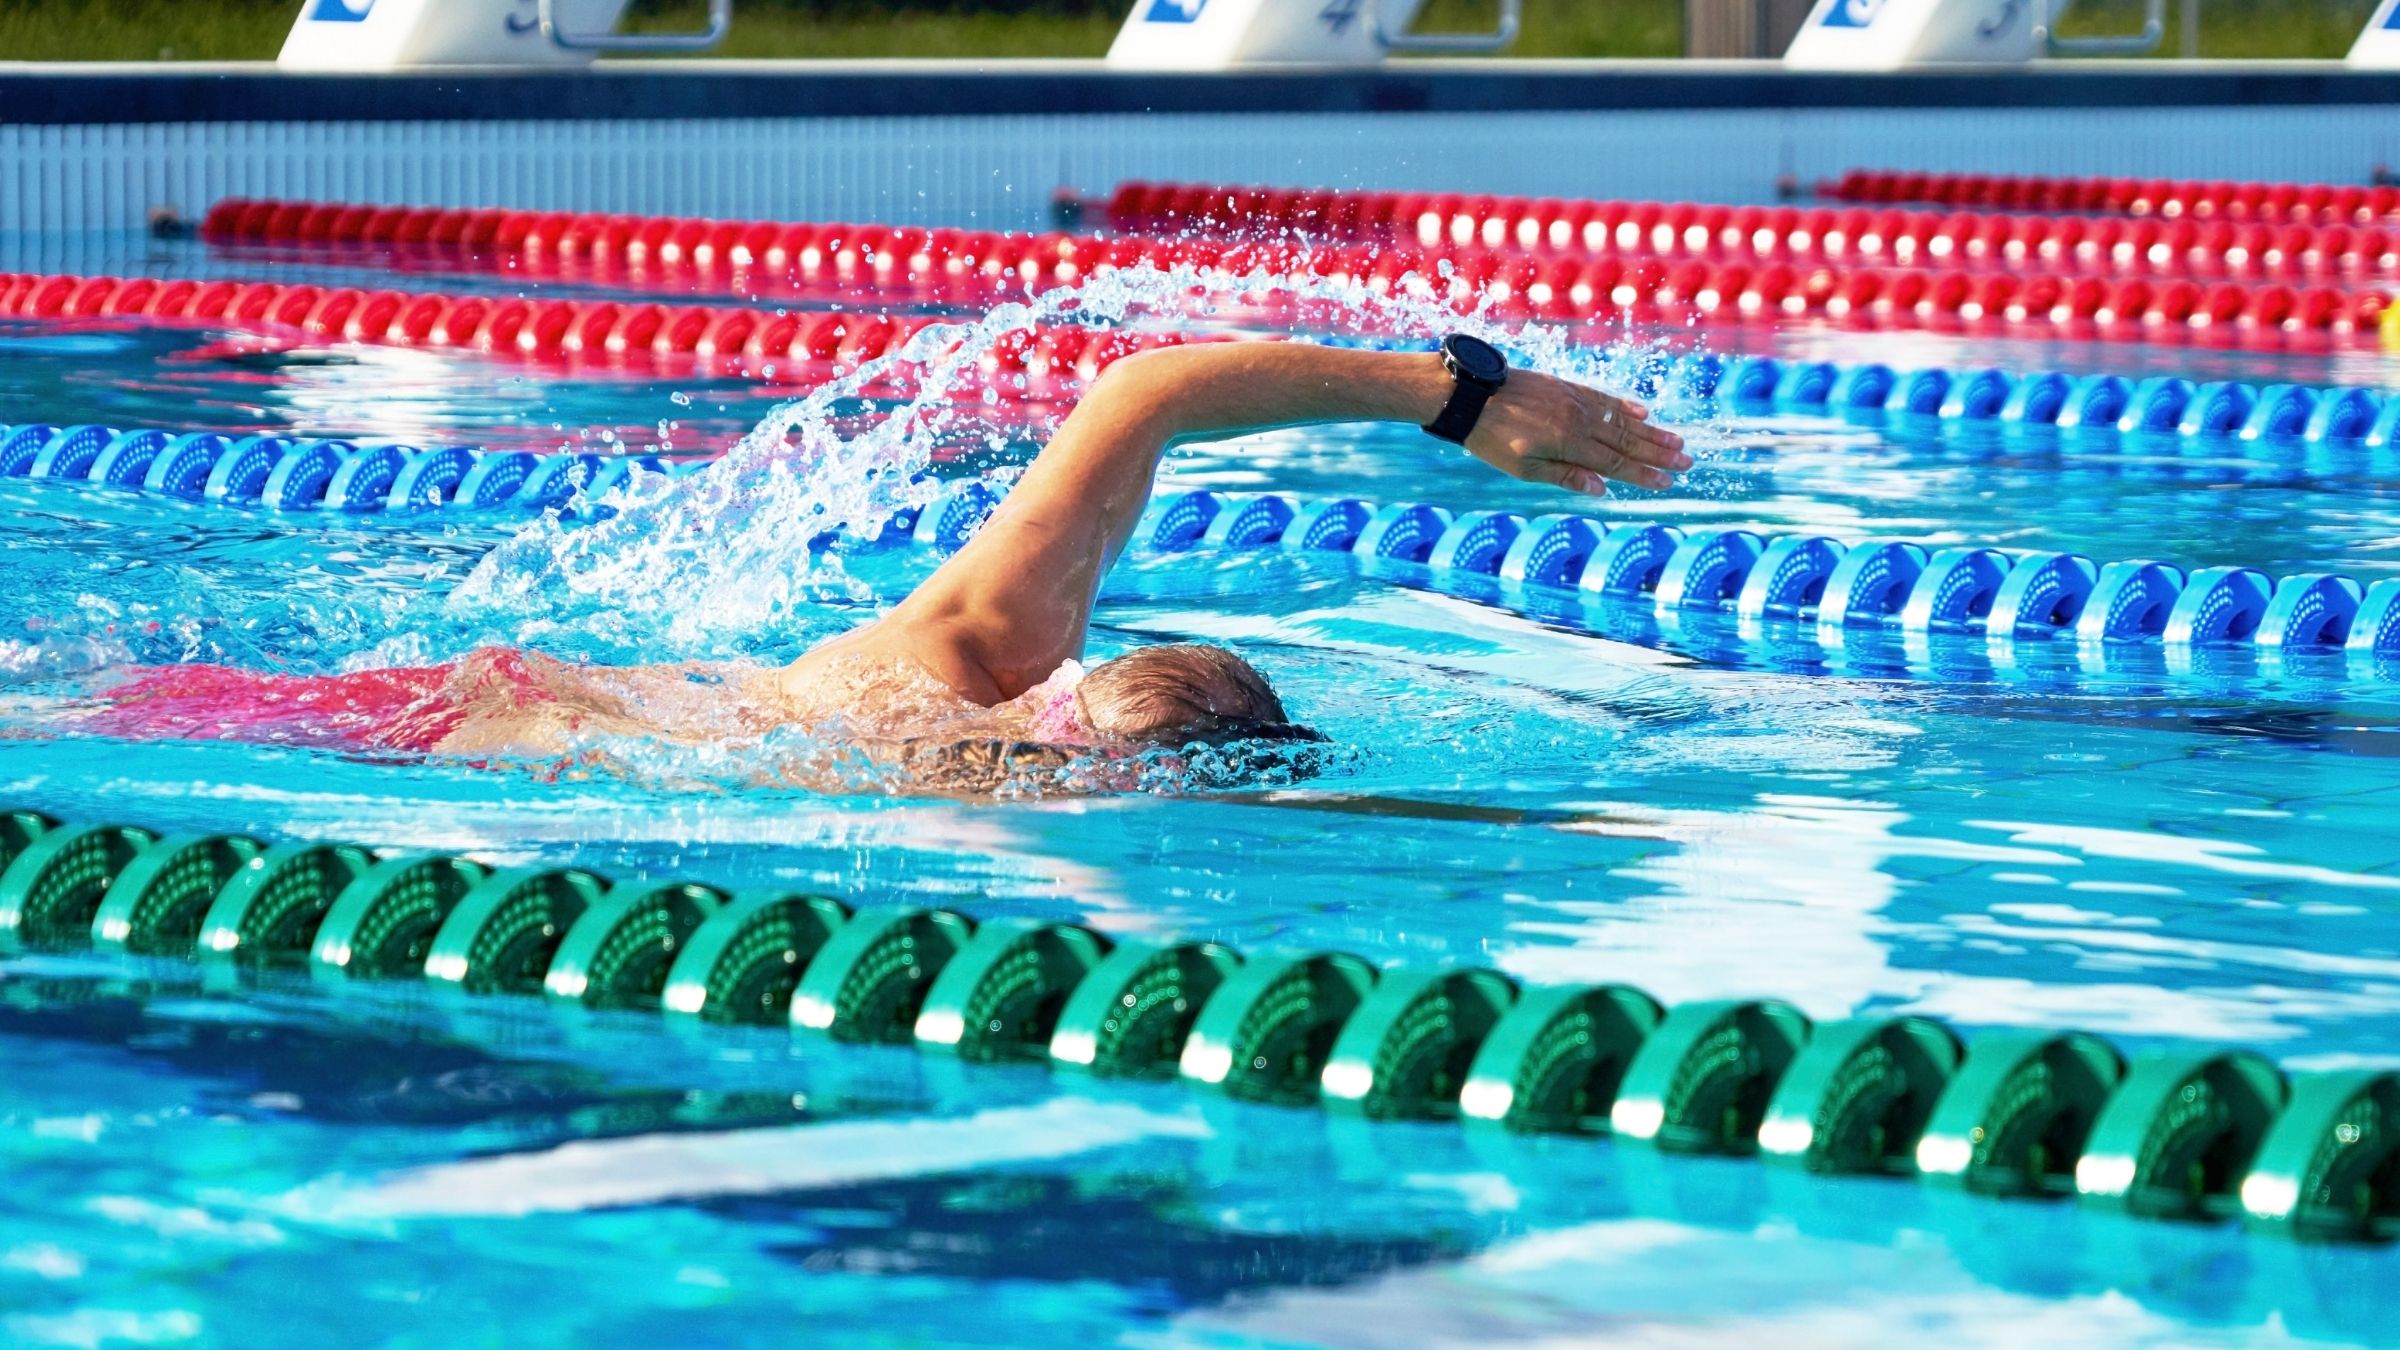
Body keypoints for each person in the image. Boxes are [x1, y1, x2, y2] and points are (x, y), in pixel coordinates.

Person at [80, 337, 1689, 791]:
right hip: (465, 729)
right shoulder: (962, 732)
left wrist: (1449, 397)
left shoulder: (983, 658)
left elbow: (1147, 388)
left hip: (466, 700)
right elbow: (1139, 388)